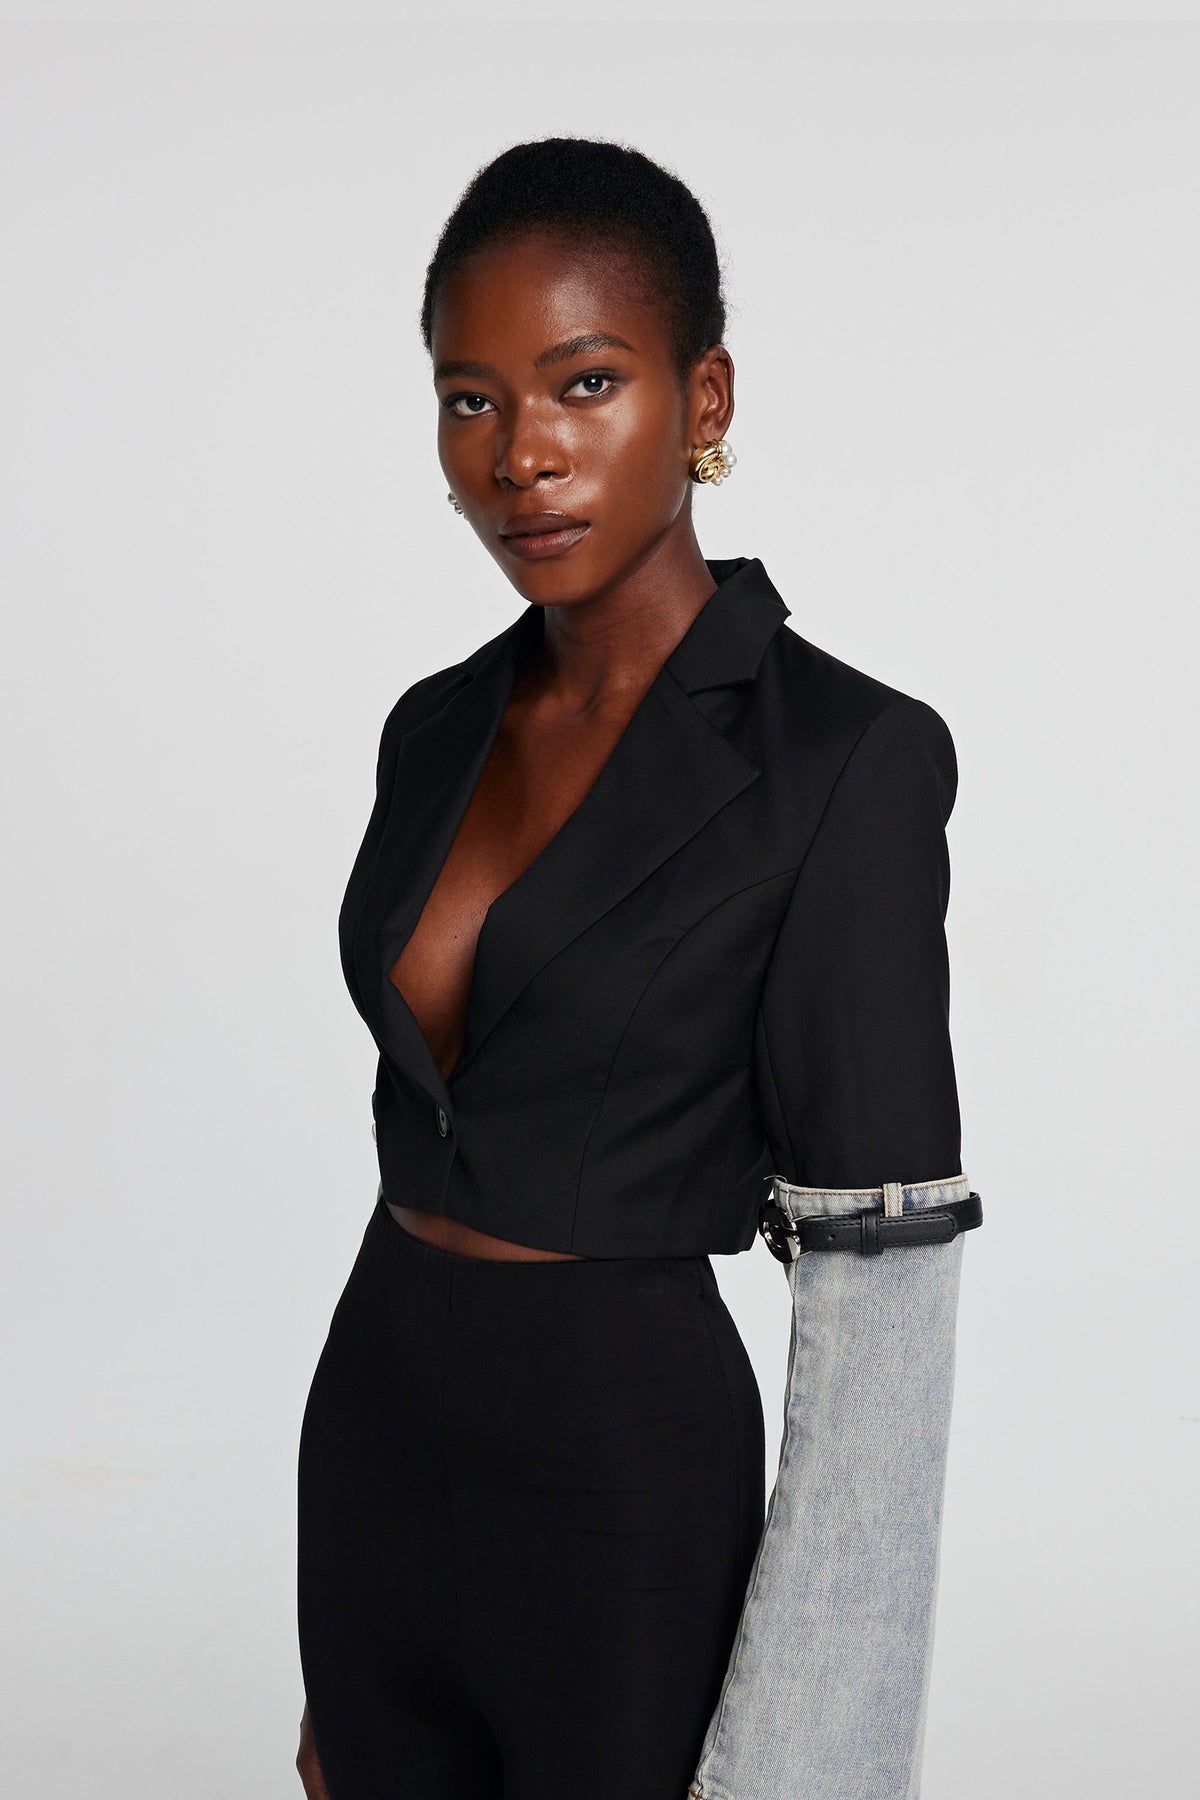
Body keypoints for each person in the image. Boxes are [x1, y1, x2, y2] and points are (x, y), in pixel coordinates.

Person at [295, 136, 982, 1800]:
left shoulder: (846, 762)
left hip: (621, 1495)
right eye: (471, 400)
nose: (522, 453)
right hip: (375, 1437)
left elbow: (884, 1295)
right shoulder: (434, 726)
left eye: (585, 383)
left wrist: (812, 1749)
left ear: (704, 398)